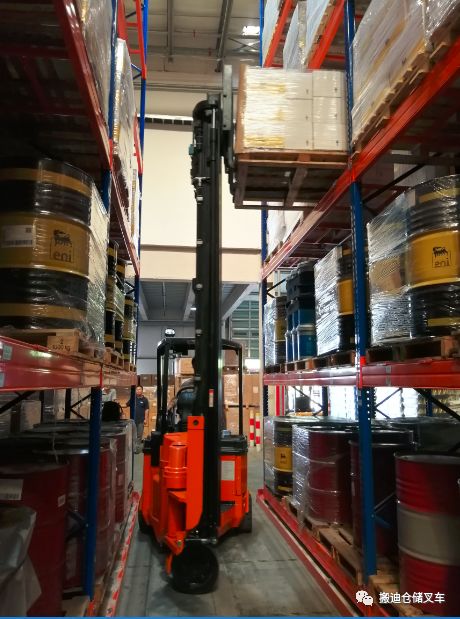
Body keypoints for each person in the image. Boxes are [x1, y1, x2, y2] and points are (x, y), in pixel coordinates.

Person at [127, 385, 150, 453]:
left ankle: (136, 449)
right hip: (133, 421)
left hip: (141, 420)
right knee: (132, 435)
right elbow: (126, 404)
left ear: (142, 390)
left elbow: (146, 410)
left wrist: (146, 419)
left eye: (139, 389)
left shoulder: (145, 399)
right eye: (137, 389)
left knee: (139, 435)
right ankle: (132, 448)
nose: (138, 391)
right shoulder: (133, 399)